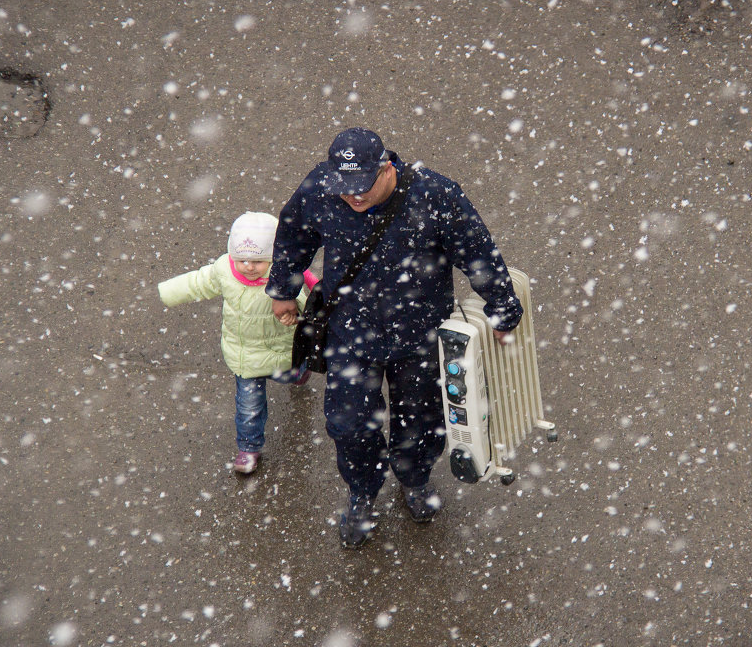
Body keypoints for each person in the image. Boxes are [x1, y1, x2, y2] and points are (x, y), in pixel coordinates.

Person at [266, 128, 523, 548]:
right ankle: (363, 493)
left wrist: (503, 309)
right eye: (345, 189)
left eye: (363, 187)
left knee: (421, 420)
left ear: (387, 167)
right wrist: (281, 290)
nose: (354, 197)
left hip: (419, 333)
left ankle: (414, 478)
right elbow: (294, 236)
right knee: (348, 425)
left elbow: (477, 251)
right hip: (350, 332)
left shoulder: (435, 195)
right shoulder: (320, 188)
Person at [158, 211, 317, 475]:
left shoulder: (285, 280)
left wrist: (298, 316)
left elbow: (309, 304)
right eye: (241, 259)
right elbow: (199, 282)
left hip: (280, 351)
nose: (248, 266)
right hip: (243, 357)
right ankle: (249, 448)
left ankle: (299, 372)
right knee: (249, 408)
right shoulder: (224, 270)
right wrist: (168, 292)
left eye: (257, 260)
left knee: (290, 375)